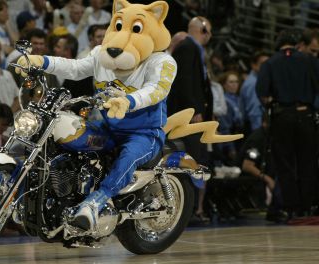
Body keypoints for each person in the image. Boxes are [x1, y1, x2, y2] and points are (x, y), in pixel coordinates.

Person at [15, 0, 178, 230]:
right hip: (108, 129)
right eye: (119, 26)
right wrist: (42, 61)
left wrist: (129, 100)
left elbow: (157, 90)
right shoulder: (102, 55)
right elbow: (75, 67)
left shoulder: (161, 61)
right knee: (66, 138)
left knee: (128, 157)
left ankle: (95, 202)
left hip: (145, 132)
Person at [256, 29, 318, 221]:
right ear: (295, 43)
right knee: (308, 162)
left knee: (285, 164)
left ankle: (291, 208)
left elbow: (262, 92)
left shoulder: (269, 63)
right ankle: (309, 206)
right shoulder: (309, 60)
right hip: (306, 115)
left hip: (283, 117)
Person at [166, 16, 214, 221]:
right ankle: (190, 210)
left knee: (196, 160)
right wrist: (193, 109)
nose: (210, 37)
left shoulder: (193, 48)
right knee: (191, 160)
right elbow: (184, 81)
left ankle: (194, 209)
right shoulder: (188, 47)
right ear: (202, 30)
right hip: (188, 117)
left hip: (192, 115)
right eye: (208, 31)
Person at [239, 51, 270, 136]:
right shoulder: (253, 83)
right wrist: (259, 134)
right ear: (254, 65)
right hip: (256, 128)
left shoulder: (260, 80)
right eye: (263, 64)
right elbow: (255, 113)